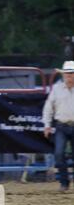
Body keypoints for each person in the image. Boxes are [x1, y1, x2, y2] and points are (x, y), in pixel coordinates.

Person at [43, 60, 74, 192]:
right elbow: (48, 107)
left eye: (72, 73)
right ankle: (64, 182)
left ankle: (65, 183)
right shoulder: (56, 89)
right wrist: (47, 125)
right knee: (59, 154)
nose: (69, 76)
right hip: (61, 125)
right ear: (63, 75)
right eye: (67, 73)